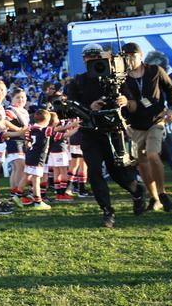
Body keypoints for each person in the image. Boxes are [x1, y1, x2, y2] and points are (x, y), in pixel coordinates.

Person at [65, 43, 146, 228]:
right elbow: (70, 106)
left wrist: (125, 101)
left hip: (112, 131)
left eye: (96, 57)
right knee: (94, 171)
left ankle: (137, 192)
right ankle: (108, 211)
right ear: (84, 59)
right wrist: (89, 107)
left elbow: (133, 103)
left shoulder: (117, 78)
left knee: (118, 173)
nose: (93, 60)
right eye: (89, 57)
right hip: (90, 132)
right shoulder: (78, 81)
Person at [123, 42, 172, 212]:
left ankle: (162, 193)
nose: (130, 59)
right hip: (135, 126)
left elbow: (170, 88)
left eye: (133, 56)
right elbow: (120, 104)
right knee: (142, 164)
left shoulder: (155, 70)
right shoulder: (121, 78)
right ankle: (154, 199)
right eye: (127, 56)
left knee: (153, 155)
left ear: (141, 55)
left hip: (156, 121)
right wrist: (124, 121)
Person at [5, 88, 29, 200]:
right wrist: (19, 130)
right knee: (20, 166)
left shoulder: (24, 111)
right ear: (12, 99)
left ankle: (14, 191)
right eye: (18, 97)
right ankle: (18, 192)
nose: (21, 99)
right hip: (14, 140)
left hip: (22, 141)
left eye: (23, 97)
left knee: (17, 168)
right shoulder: (10, 110)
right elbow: (4, 122)